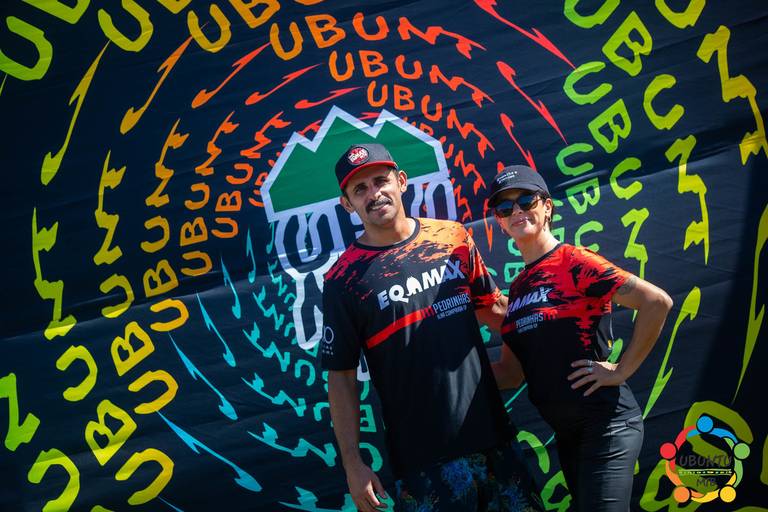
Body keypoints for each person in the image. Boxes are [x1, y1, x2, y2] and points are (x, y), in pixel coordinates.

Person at [321, 143, 543, 512]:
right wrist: (352, 464)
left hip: (496, 442)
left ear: (401, 181)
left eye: (380, 181)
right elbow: (341, 376)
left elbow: (498, 313)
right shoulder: (342, 279)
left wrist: (559, 333)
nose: (374, 194)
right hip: (423, 466)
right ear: (347, 204)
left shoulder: (453, 238)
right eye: (360, 189)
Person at [487, 165, 673, 511]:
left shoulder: (574, 261)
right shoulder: (519, 287)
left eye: (526, 201)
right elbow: (512, 374)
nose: (517, 211)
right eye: (505, 207)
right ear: (499, 222)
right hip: (568, 435)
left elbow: (656, 302)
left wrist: (621, 370)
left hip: (606, 423)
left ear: (547, 207)